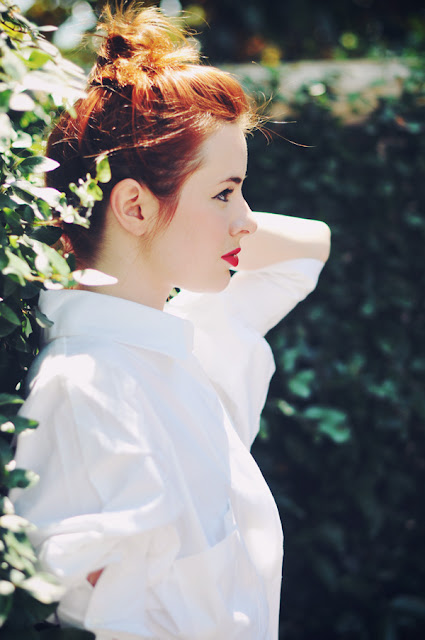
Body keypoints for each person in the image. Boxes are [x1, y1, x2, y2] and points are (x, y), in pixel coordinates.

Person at [11, 4, 330, 639]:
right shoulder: (88, 390)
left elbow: (310, 248)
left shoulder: (180, 344)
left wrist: (194, 216)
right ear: (133, 205)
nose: (247, 220)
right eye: (225, 193)